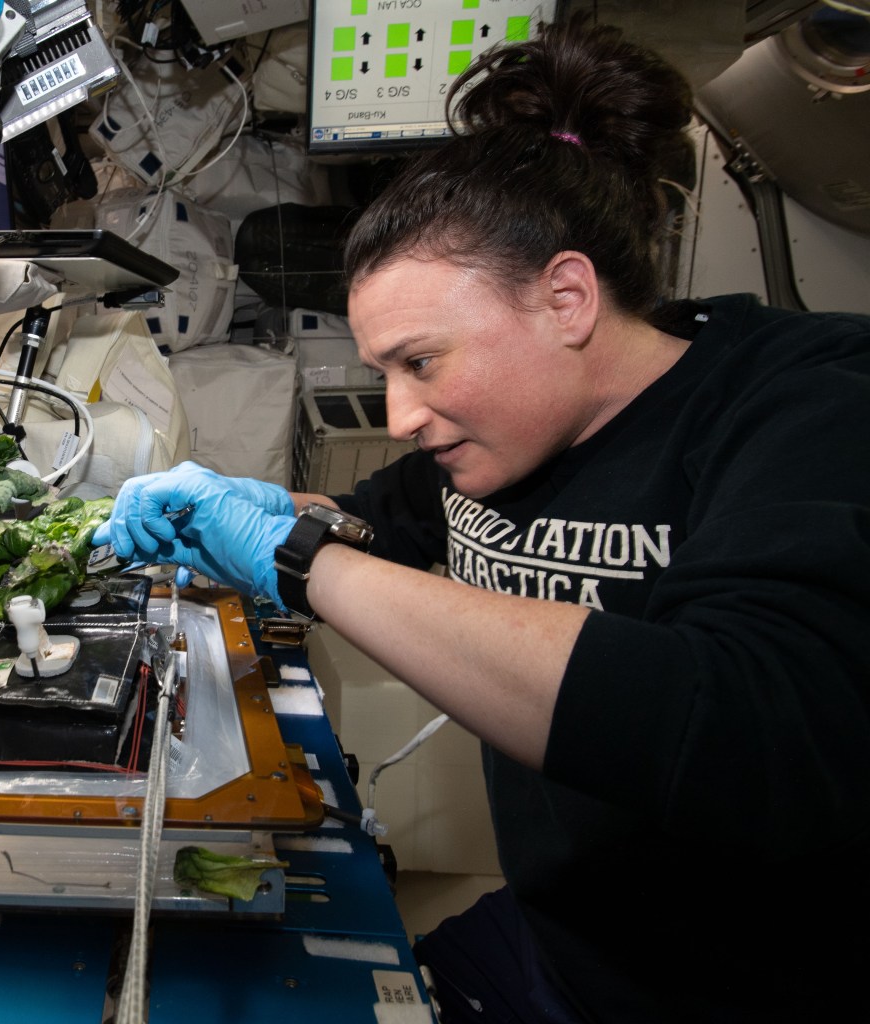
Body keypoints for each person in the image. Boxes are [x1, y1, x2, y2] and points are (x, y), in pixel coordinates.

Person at [91, 15, 870, 1024]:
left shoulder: (809, 405)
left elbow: (743, 723)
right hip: (561, 941)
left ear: (566, 297)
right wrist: (245, 506)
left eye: (422, 362)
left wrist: (296, 551)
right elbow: (376, 528)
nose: (403, 416)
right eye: (385, 375)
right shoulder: (497, 445)